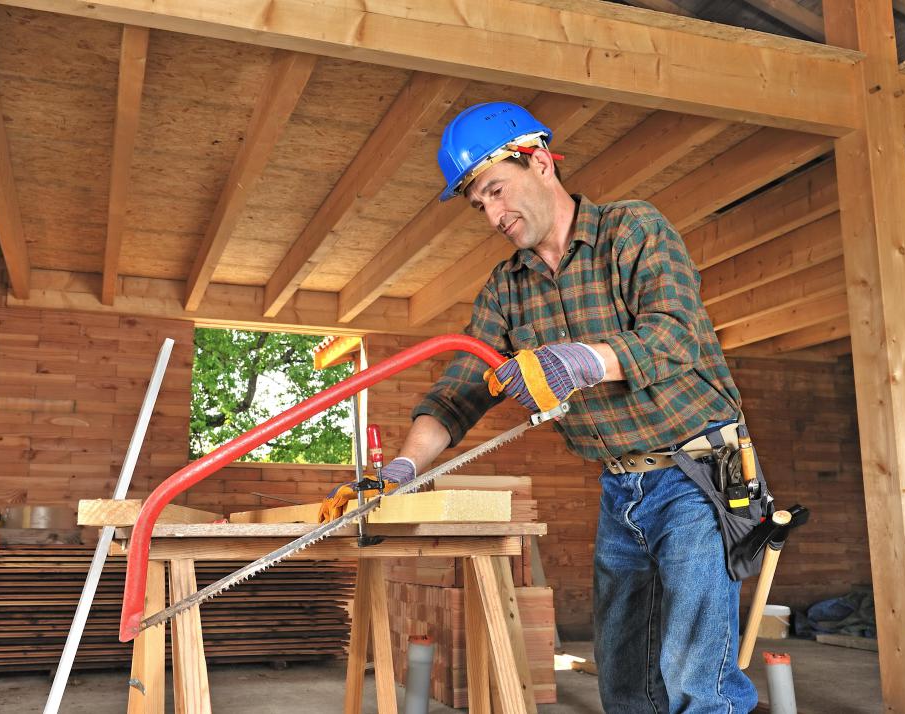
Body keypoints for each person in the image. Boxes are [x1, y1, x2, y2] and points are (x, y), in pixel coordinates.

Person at [322, 101, 759, 712]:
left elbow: (676, 335)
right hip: (621, 486)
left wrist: (580, 360)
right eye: (480, 205)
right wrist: (404, 470)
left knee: (695, 676)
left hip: (696, 472)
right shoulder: (507, 289)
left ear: (540, 160)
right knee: (626, 678)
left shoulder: (632, 231)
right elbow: (458, 392)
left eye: (497, 191)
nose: (493, 215)